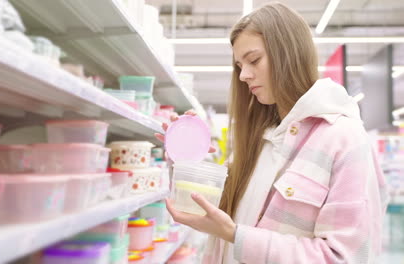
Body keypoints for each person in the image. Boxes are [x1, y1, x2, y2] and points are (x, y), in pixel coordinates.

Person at [155, 2, 388, 264]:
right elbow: (224, 212)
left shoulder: (344, 139)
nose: (243, 75)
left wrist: (236, 235)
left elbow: (344, 257)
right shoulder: (262, 138)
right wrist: (188, 160)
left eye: (253, 60)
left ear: (289, 53)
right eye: (239, 65)